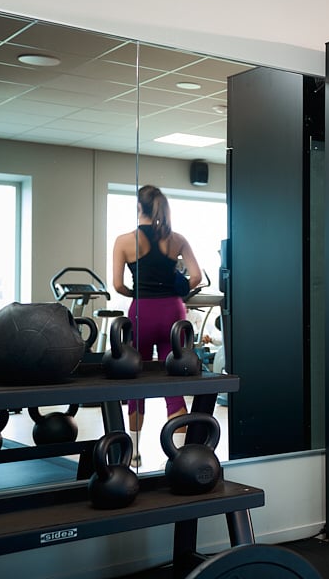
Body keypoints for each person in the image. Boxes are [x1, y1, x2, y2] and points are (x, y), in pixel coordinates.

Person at [112, 184, 201, 466]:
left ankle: (135, 453)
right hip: (174, 311)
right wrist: (178, 288)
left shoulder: (124, 241)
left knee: (135, 377)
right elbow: (196, 277)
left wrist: (137, 294)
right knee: (173, 382)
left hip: (143, 311)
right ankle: (178, 456)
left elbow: (117, 285)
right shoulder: (177, 239)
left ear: (139, 208)